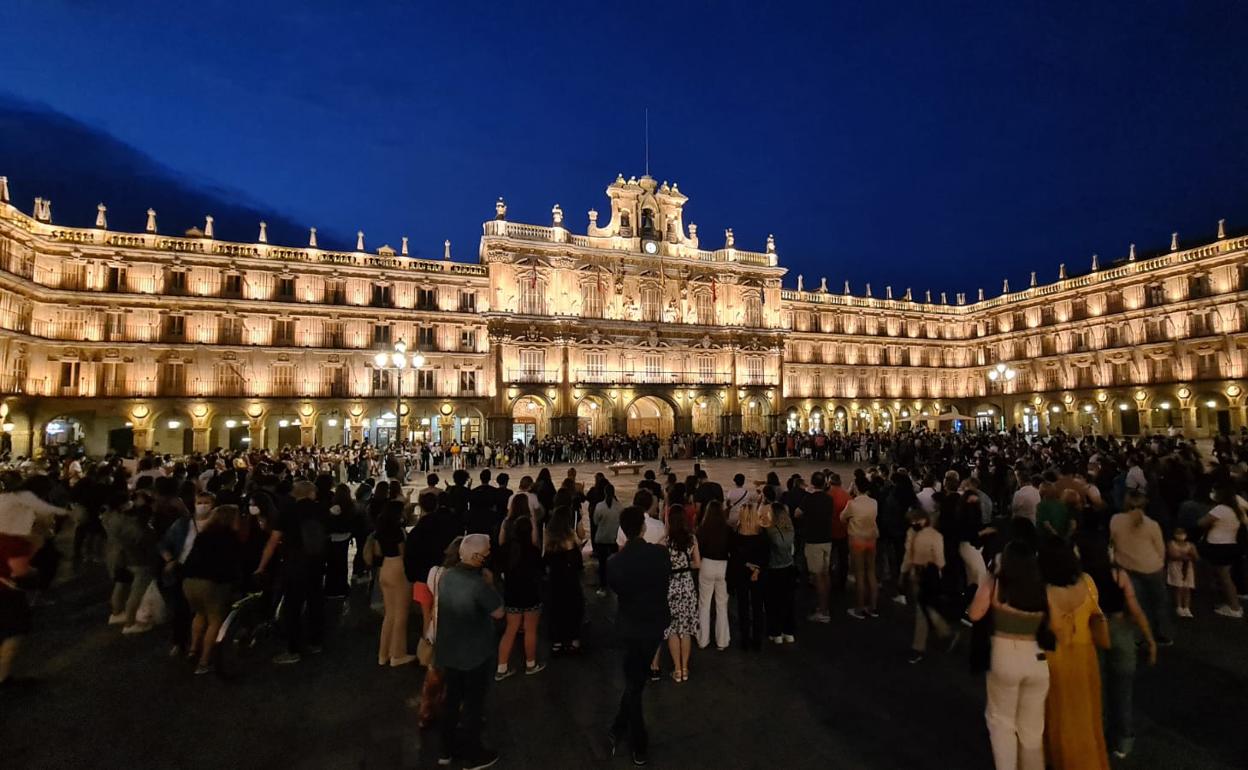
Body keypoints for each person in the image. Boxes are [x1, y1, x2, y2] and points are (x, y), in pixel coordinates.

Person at [967, 540, 1050, 770]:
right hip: (1037, 658)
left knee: (1002, 723)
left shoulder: (997, 585)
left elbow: (975, 613)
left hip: (1004, 655)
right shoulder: (1041, 588)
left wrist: (988, 579)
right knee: (1032, 729)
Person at [1081, 534, 1156, 760]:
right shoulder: (1118, 574)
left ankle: (1098, 736)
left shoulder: (1082, 578)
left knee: (1097, 688)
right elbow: (1134, 607)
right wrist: (1149, 639)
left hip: (1092, 630)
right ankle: (1123, 741)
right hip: (1120, 629)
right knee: (1123, 689)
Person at [607, 506, 670, 767]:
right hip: (654, 624)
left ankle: (629, 735)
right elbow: (664, 581)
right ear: (643, 528)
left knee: (634, 681)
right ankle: (631, 736)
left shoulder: (615, 563)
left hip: (630, 626)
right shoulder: (659, 554)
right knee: (637, 680)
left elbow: (617, 589)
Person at [1039, 541, 1110, 770]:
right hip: (1085, 654)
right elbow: (1095, 614)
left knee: (1058, 714)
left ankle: (1060, 759)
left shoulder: (1044, 592)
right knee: (1086, 713)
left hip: (1055, 658)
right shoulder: (1087, 583)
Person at [434, 534, 503, 769]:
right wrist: (490, 583)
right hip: (473, 653)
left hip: (448, 650)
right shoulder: (477, 584)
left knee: (451, 700)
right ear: (477, 557)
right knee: (473, 704)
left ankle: (446, 749)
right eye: (486, 553)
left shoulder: (446, 576)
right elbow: (498, 612)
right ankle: (474, 754)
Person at [255, 480, 328, 664]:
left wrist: (262, 566)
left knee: (292, 606)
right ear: (312, 493)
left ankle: (293, 649)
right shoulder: (321, 510)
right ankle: (316, 641)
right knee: (315, 601)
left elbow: (273, 540)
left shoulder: (288, 512)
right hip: (316, 563)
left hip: (294, 563)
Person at [181, 504, 243, 675]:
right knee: (215, 619)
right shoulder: (230, 538)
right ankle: (204, 660)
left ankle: (193, 650)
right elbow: (231, 565)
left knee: (199, 614)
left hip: (189, 580)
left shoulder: (204, 536)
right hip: (211, 583)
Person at [1109, 492, 1171, 646]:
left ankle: (1138, 637)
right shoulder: (1152, 525)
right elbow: (1160, 549)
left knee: (1135, 603)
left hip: (1127, 567)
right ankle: (1160, 634)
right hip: (1152, 567)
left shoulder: (1116, 520)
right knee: (1158, 603)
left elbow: (1112, 542)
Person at [902, 508, 954, 664]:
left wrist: (903, 572)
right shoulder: (935, 536)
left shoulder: (912, 533)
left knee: (922, 609)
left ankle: (919, 647)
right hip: (928, 575)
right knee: (925, 607)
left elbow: (907, 554)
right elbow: (940, 561)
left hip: (919, 575)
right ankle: (944, 631)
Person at [495, 517, 544, 679]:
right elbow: (541, 573)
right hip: (531, 595)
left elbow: (498, 570)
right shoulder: (534, 551)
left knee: (510, 630)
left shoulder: (506, 550)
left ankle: (501, 667)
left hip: (512, 595)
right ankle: (531, 664)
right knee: (530, 630)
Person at [657, 505, 700, 681]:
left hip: (671, 587)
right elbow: (698, 564)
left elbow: (660, 566)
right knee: (687, 629)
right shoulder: (691, 539)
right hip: (687, 585)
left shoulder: (664, 542)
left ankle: (676, 669)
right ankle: (685, 668)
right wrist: (685, 566)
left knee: (673, 629)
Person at [374, 501, 415, 667]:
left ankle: (383, 654)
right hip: (398, 567)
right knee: (401, 614)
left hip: (384, 567)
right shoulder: (397, 531)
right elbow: (403, 553)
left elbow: (377, 552)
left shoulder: (379, 530)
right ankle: (398, 654)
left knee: (389, 614)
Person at [1198, 483, 1246, 618]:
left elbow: (1201, 522)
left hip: (1219, 546)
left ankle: (1234, 607)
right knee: (1226, 576)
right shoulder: (1235, 510)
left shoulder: (1220, 509)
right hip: (1231, 545)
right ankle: (1233, 603)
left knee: (1225, 578)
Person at [543, 506, 584, 655]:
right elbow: (579, 565)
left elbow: (545, 563)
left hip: (555, 583)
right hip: (571, 582)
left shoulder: (550, 543)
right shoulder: (570, 541)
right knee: (574, 609)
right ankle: (574, 640)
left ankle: (557, 642)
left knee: (556, 610)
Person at [729, 497, 769, 651]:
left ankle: (745, 639)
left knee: (743, 607)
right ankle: (757, 639)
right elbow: (766, 556)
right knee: (758, 607)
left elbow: (734, 556)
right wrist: (757, 569)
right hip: (758, 574)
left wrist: (746, 565)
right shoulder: (762, 534)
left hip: (741, 574)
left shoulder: (736, 534)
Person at [794, 472, 833, 623]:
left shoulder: (809, 499)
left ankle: (823, 611)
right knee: (825, 573)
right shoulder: (829, 499)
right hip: (826, 540)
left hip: (814, 540)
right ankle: (825, 606)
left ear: (812, 483)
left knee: (818, 577)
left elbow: (797, 514)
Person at [695, 500, 730, 650]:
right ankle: (722, 641)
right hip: (723, 566)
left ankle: (703, 639)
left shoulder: (702, 529)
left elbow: (699, 551)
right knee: (722, 604)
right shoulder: (728, 530)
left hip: (706, 565)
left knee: (704, 603)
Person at [842, 484, 880, 619]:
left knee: (860, 574)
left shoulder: (852, 503)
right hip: (871, 539)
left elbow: (842, 517)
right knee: (871, 572)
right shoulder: (874, 502)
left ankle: (859, 608)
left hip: (857, 539)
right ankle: (873, 607)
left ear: (856, 488)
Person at [762, 501, 797, 644]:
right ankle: (788, 631)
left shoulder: (769, 531)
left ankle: (775, 632)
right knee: (788, 601)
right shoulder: (790, 529)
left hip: (773, 569)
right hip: (788, 567)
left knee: (772, 602)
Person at [592, 482, 624, 596]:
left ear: (604, 493)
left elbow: (595, 521)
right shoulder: (620, 506)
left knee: (602, 564)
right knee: (615, 563)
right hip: (614, 538)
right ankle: (616, 585)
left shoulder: (599, 506)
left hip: (601, 537)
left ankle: (603, 587)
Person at [1166, 527, 1197, 618]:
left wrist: (1189, 555)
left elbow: (1196, 557)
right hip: (1175, 568)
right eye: (1178, 532)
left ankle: (1187, 607)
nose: (1180, 535)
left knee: (1187, 588)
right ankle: (1179, 607)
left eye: (1182, 533)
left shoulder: (1190, 545)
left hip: (1188, 568)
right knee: (1178, 587)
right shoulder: (1171, 544)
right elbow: (1172, 555)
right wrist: (1187, 556)